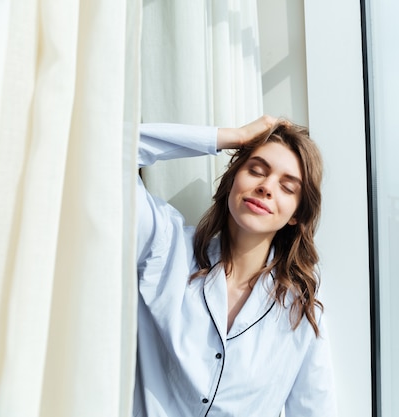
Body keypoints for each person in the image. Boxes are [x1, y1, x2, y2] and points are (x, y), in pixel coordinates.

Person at [134, 116, 337, 417]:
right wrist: (231, 137)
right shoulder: (165, 249)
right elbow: (105, 149)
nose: (266, 187)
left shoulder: (300, 312)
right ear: (233, 180)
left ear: (296, 214)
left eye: (287, 187)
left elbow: (315, 411)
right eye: (256, 170)